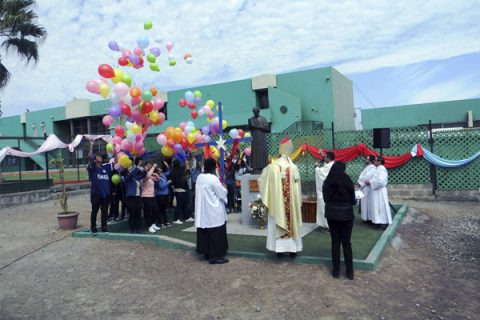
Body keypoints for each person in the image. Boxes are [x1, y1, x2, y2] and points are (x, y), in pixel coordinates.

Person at [258, 137, 303, 257]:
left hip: (278, 202)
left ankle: (280, 249)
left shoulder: (274, 166)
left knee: (278, 218)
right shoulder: (293, 167)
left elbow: (263, 180)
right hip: (290, 202)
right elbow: (297, 186)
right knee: (291, 220)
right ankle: (293, 249)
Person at [323, 161, 356, 280]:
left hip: (332, 215)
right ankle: (350, 272)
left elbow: (325, 198)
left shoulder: (327, 181)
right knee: (347, 243)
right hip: (346, 215)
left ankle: (336, 271)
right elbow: (353, 200)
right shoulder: (347, 180)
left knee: (335, 242)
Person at [195, 157, 229, 264]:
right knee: (215, 233)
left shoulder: (200, 177)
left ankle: (206, 253)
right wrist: (224, 188)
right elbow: (221, 193)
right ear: (214, 167)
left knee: (205, 232)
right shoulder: (213, 178)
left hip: (203, 210)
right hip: (213, 210)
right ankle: (214, 256)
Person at [87, 140, 113, 234]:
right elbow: (90, 157)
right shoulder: (92, 169)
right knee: (95, 211)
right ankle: (93, 227)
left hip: (105, 194)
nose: (100, 157)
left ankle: (104, 227)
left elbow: (116, 162)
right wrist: (91, 146)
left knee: (105, 212)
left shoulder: (105, 168)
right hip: (96, 194)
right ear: (94, 160)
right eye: (98, 156)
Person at [365, 156, 392, 229]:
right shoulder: (378, 169)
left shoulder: (382, 169)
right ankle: (377, 222)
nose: (374, 161)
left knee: (381, 206)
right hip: (376, 191)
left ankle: (383, 222)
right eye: (374, 160)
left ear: (380, 162)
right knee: (376, 206)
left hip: (380, 191)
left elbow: (381, 181)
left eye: (375, 160)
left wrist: (370, 182)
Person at [123, 158, 146, 234]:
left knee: (138, 213)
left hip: (138, 197)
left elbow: (142, 176)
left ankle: (138, 228)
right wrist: (137, 166)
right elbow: (132, 173)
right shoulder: (126, 178)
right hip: (131, 198)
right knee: (132, 214)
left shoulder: (136, 178)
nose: (131, 170)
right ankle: (132, 229)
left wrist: (145, 170)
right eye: (130, 169)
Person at [314, 151, 335, 229]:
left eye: (325, 157)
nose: (324, 158)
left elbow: (322, 174)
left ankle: (328, 225)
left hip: (327, 191)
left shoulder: (329, 166)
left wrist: (316, 167)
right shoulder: (333, 164)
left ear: (328, 158)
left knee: (325, 206)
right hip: (333, 190)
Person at [170, 157, 193, 224]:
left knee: (179, 205)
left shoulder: (172, 172)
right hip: (183, 189)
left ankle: (179, 218)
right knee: (183, 205)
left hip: (177, 190)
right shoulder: (181, 170)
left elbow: (171, 181)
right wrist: (187, 164)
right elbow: (188, 173)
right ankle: (180, 218)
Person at [248, 107, 270, 173]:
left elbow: (267, 129)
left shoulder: (263, 119)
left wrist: (259, 127)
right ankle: (255, 167)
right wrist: (250, 125)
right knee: (255, 152)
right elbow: (249, 128)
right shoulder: (251, 119)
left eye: (256, 111)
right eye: (254, 112)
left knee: (262, 151)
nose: (255, 113)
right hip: (254, 137)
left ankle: (263, 166)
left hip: (261, 137)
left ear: (258, 112)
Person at [355, 155, 376, 223]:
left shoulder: (372, 168)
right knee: (364, 203)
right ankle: (366, 217)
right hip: (364, 188)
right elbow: (363, 176)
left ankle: (369, 218)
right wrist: (359, 181)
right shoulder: (368, 167)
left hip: (368, 188)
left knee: (368, 203)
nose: (365, 160)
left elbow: (367, 177)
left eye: (367, 159)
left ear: (371, 161)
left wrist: (359, 183)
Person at [141, 161, 161, 233]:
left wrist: (156, 174)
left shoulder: (150, 177)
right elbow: (148, 175)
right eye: (148, 165)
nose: (149, 166)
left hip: (152, 196)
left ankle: (153, 224)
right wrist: (153, 167)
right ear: (145, 167)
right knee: (148, 211)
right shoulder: (144, 176)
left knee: (155, 210)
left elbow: (158, 179)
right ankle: (149, 226)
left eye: (150, 165)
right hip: (146, 196)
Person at [154, 162, 171, 228]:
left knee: (164, 209)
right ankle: (160, 222)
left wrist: (167, 165)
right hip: (160, 195)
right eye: (159, 170)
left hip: (166, 195)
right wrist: (168, 182)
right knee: (160, 209)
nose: (160, 170)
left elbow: (169, 172)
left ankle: (165, 221)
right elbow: (161, 186)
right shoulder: (157, 178)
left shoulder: (163, 175)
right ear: (157, 172)